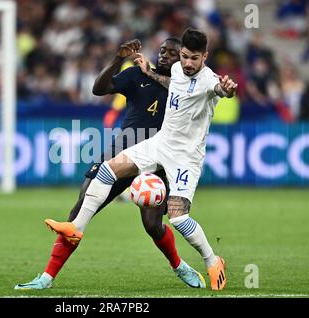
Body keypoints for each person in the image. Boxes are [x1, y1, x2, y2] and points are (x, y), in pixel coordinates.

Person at [46, 28, 237, 291]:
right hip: (159, 143)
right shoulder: (179, 70)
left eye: (194, 58)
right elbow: (175, 86)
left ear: (205, 56)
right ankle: (76, 227)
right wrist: (149, 72)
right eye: (183, 57)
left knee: (178, 219)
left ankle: (213, 260)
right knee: (107, 169)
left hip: (185, 158)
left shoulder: (209, 80)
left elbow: (220, 90)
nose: (187, 63)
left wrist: (227, 89)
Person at [14, 38, 206, 290]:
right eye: (162, 51)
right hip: (122, 152)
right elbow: (99, 88)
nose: (165, 56)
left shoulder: (185, 85)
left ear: (182, 57)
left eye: (172, 53)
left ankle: (179, 265)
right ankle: (46, 278)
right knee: (78, 213)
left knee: (153, 225)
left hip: (158, 160)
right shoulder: (138, 73)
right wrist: (118, 58)